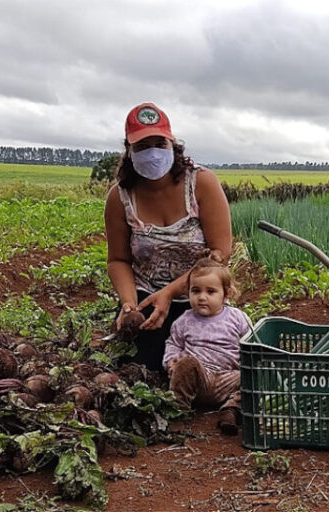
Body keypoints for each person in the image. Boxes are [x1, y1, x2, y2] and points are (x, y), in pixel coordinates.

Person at [105, 102, 232, 371]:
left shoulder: (202, 183)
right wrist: (130, 305)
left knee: (210, 362)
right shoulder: (120, 197)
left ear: (172, 144)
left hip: (198, 294)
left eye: (159, 144)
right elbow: (118, 259)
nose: (152, 152)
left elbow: (220, 254)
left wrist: (171, 292)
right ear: (129, 151)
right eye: (142, 146)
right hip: (146, 297)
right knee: (141, 368)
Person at [162, 257, 250, 435]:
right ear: (188, 293)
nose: (202, 297)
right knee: (187, 363)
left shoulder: (238, 318)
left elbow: (251, 344)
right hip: (200, 380)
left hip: (229, 379)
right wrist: (172, 361)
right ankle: (178, 411)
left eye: (210, 292)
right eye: (196, 291)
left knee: (253, 376)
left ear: (225, 294)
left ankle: (231, 410)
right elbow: (173, 344)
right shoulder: (184, 321)